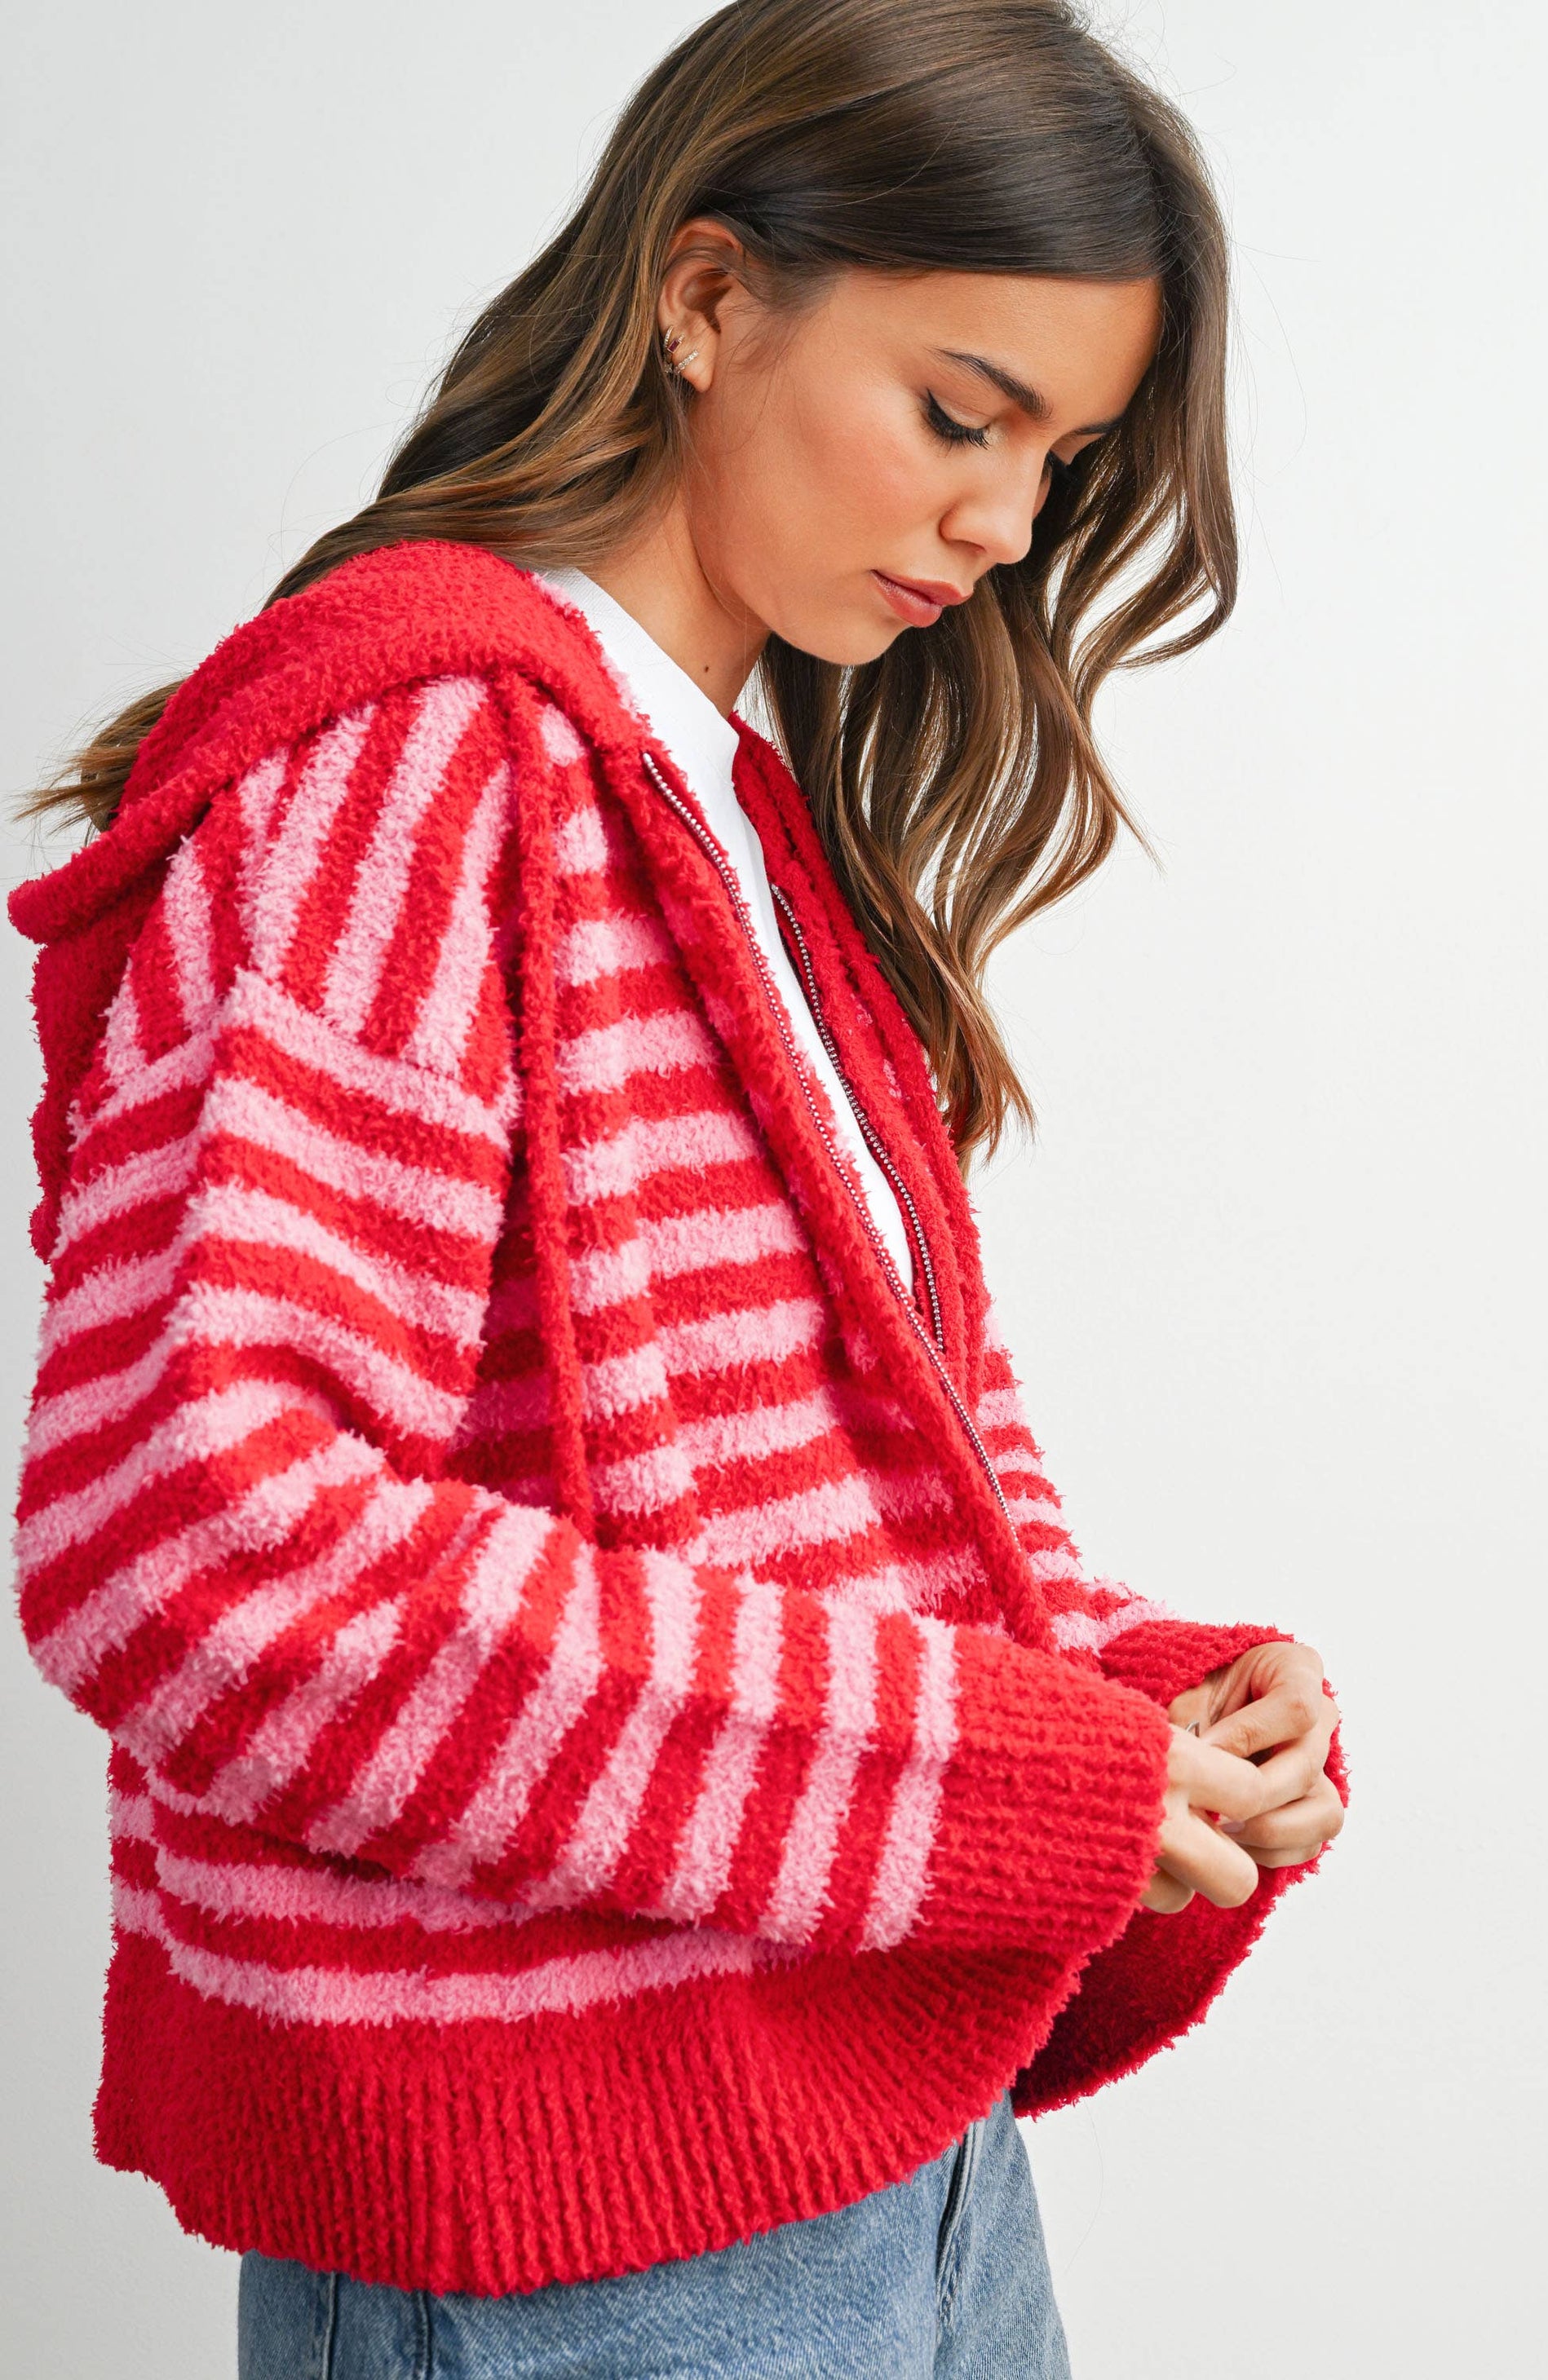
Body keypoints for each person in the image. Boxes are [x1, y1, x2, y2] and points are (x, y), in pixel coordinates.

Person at [8, 2, 1344, 2372]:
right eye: (961, 413)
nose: (1004, 525)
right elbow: (200, 1541)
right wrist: (984, 1771)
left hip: (891, 2140)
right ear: (707, 296)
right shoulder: (425, 761)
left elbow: (856, 1490)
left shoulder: (724, 806)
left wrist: (1129, 1704)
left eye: (1058, 459)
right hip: (579, 2241)